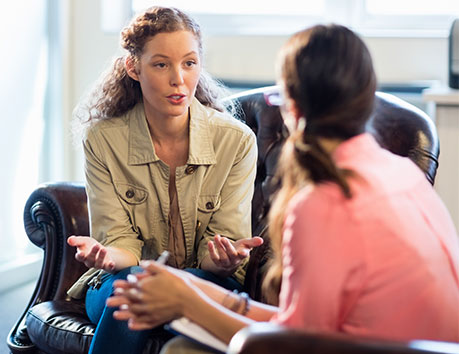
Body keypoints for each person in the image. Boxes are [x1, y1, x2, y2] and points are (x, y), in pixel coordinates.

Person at [107, 23, 459, 353]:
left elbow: (293, 344)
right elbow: (304, 324)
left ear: (292, 106)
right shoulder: (402, 172)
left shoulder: (323, 203)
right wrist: (192, 288)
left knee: (180, 350)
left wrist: (187, 303)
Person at [67, 6, 263, 354]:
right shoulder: (102, 139)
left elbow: (220, 248)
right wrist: (108, 256)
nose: (179, 79)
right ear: (134, 68)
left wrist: (222, 258)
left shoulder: (236, 141)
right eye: (161, 64)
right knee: (133, 289)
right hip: (120, 279)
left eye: (189, 63)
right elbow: (120, 242)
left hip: (204, 280)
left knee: (160, 290)